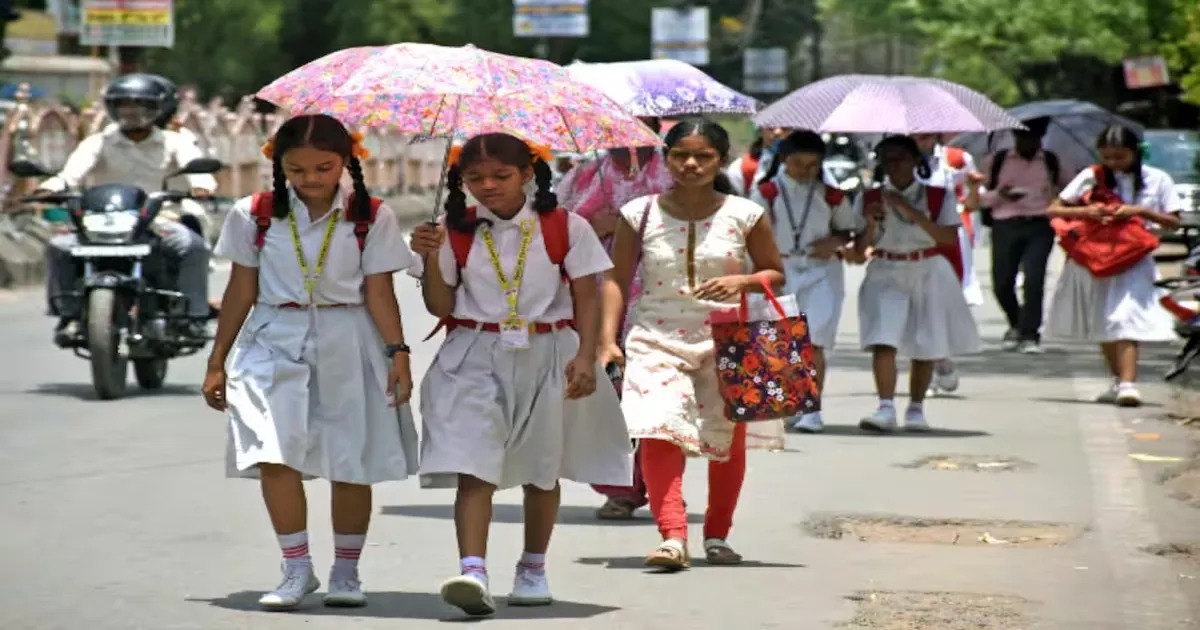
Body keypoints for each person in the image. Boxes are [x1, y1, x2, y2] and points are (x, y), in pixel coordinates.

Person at [407, 132, 632, 616]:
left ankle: (533, 567)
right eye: (474, 178)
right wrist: (428, 257)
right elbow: (438, 304)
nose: (487, 186)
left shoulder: (564, 226)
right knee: (473, 462)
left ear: (528, 174)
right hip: (471, 351)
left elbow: (587, 294)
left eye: (500, 176)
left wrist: (587, 356)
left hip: (548, 348)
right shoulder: (453, 229)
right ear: (460, 180)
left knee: (541, 467)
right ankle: (473, 570)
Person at [200, 114, 418, 610]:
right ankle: (296, 568)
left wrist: (397, 352)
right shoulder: (253, 213)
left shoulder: (372, 216)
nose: (311, 180)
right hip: (273, 336)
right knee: (273, 454)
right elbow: (240, 288)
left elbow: (380, 292)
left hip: (350, 336)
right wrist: (218, 360)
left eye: (324, 168)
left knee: (350, 460)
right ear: (279, 165)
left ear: (347, 162)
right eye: (297, 170)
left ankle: (346, 571)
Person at [598, 118, 786, 570]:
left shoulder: (745, 214)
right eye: (680, 154)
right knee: (658, 430)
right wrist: (607, 340)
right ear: (666, 158)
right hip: (654, 339)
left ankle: (718, 534)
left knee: (725, 441)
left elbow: (774, 273)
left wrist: (743, 280)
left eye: (703, 156)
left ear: (720, 161)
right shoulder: (638, 213)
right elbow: (616, 280)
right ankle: (672, 535)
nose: (690, 164)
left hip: (726, 342)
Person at [37, 73, 214, 344]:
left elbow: (195, 167)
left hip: (158, 219)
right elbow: (71, 173)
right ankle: (69, 315)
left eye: (140, 105)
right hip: (102, 220)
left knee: (193, 247)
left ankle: (192, 317)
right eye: (124, 105)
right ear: (113, 108)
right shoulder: (99, 141)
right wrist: (52, 187)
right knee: (59, 247)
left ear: (157, 109)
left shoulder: (174, 141)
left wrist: (202, 185)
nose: (132, 112)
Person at [555, 117, 673, 521]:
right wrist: (596, 225)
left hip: (660, 295)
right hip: (597, 295)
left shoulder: (673, 169)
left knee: (653, 394)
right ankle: (620, 486)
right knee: (610, 396)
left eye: (645, 125)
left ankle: (659, 486)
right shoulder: (589, 172)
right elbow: (557, 224)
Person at [1046, 125, 1181, 406]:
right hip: (1097, 257)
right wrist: (1086, 211)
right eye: (1107, 157)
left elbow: (1174, 221)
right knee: (1103, 322)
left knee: (1125, 318)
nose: (1113, 164)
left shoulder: (1158, 180)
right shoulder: (1091, 176)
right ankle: (1119, 381)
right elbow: (1055, 208)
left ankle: (1129, 383)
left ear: (1135, 152)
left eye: (1120, 157)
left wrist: (1140, 212)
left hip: (1134, 258)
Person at [854, 135, 981, 432]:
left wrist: (911, 211)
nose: (894, 165)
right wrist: (871, 225)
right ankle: (885, 407)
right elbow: (859, 252)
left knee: (926, 341)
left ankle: (916, 407)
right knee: (883, 340)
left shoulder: (938, 196)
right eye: (887, 159)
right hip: (885, 268)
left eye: (901, 158)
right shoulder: (869, 198)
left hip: (928, 267)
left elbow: (948, 237)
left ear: (915, 162)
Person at [750, 130, 856, 434]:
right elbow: (753, 234)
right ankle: (789, 403)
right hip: (780, 268)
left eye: (813, 165)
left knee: (816, 340)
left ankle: (811, 409)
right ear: (784, 160)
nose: (806, 171)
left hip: (822, 269)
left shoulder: (831, 194)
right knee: (781, 341)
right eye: (799, 164)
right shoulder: (767, 192)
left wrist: (834, 241)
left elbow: (848, 230)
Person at [966, 118, 1067, 354]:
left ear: (1041, 137)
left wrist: (1054, 196)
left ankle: (1030, 333)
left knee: (1034, 278)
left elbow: (1070, 191)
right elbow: (982, 197)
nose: (1027, 142)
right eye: (1023, 137)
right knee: (1002, 282)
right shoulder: (998, 161)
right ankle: (1016, 322)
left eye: (1033, 137)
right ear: (1014, 136)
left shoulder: (1051, 162)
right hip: (1005, 224)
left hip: (1040, 224)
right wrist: (1000, 194)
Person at [912, 133, 978, 396]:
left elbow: (972, 204)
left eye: (925, 135)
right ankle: (931, 366)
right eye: (914, 136)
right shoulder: (899, 159)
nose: (920, 140)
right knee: (915, 306)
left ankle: (940, 359)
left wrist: (973, 188)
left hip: (948, 237)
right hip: (912, 237)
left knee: (940, 302)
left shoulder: (957, 159)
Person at [726, 126, 787, 196]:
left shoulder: (800, 169)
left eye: (785, 128)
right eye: (772, 126)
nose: (778, 132)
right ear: (761, 129)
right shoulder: (742, 167)